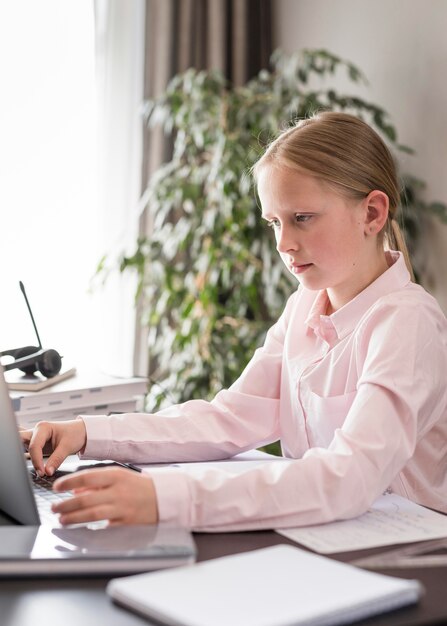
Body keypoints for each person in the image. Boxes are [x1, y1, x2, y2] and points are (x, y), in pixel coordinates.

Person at [21, 112, 447, 530]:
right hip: (326, 538)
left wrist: (168, 498)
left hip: (407, 554)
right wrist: (85, 433)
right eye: (274, 222)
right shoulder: (306, 305)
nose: (283, 243)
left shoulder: (407, 323)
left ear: (372, 214)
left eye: (302, 218)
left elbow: (351, 477)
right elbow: (229, 419)